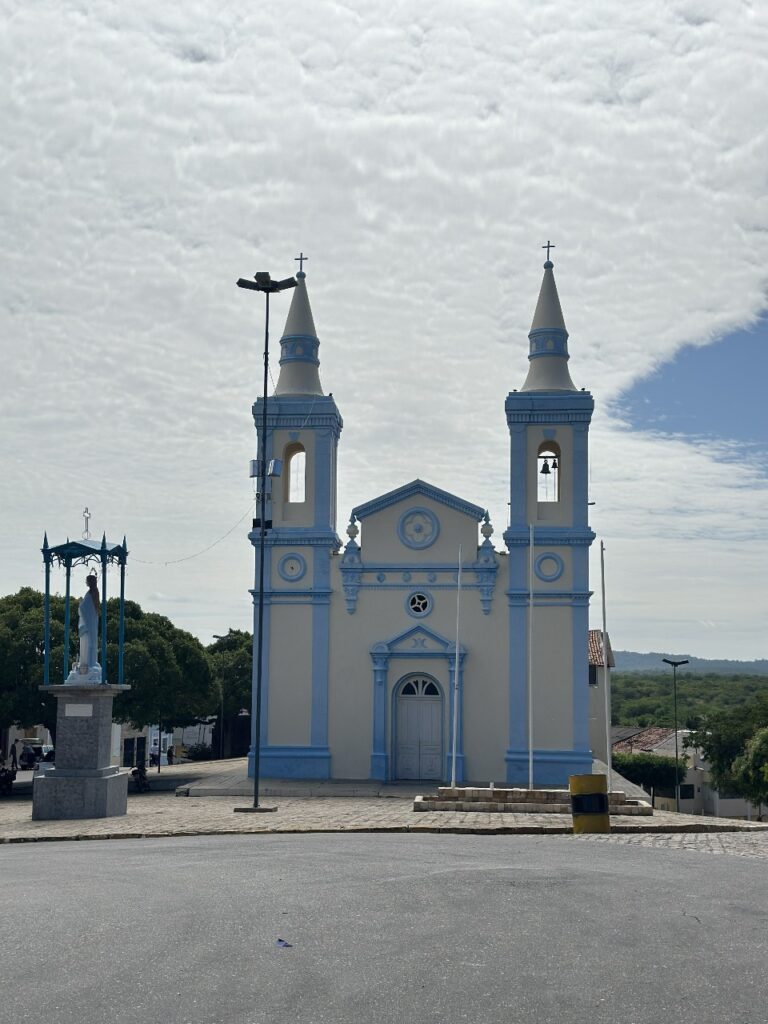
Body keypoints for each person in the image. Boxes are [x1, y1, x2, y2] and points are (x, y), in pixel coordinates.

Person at [77, 572, 101, 673]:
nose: (86, 582)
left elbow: (86, 606)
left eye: (87, 580)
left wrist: (81, 606)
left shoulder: (93, 592)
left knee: (90, 642)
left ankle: (90, 663)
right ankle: (88, 662)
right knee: (88, 642)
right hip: (89, 621)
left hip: (89, 621)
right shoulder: (92, 592)